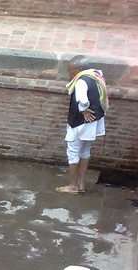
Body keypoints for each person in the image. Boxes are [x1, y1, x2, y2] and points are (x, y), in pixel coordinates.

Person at [57, 55, 108, 195]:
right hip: (93, 122)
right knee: (85, 152)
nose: (69, 72)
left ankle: (73, 186)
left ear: (79, 69)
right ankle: (80, 182)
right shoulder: (96, 75)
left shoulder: (81, 81)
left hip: (80, 123)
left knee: (73, 153)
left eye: (71, 69)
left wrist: (83, 110)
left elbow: (82, 100)